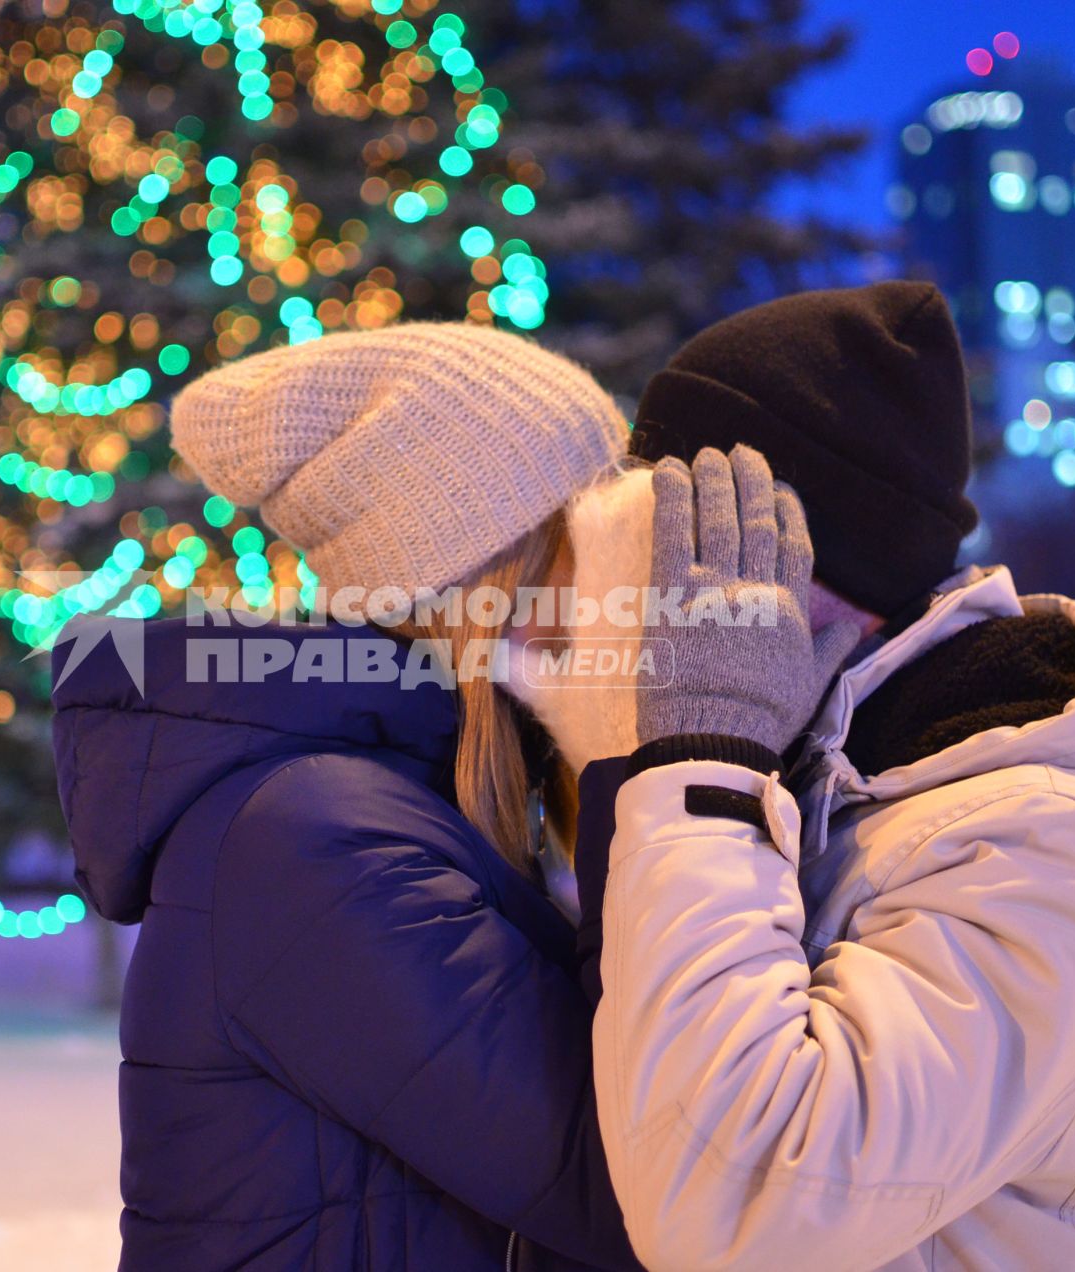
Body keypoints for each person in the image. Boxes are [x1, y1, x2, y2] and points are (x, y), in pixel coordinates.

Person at [582, 282, 1075, 1270]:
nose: (650, 596)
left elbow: (739, 1205)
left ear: (782, 571)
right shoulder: (836, 776)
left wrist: (707, 766)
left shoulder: (1056, 835)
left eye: (678, 540)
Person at [49, 323, 641, 1270]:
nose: (626, 559)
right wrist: (655, 762)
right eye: (592, 523)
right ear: (489, 576)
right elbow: (651, 1193)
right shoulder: (318, 845)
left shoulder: (410, 808)